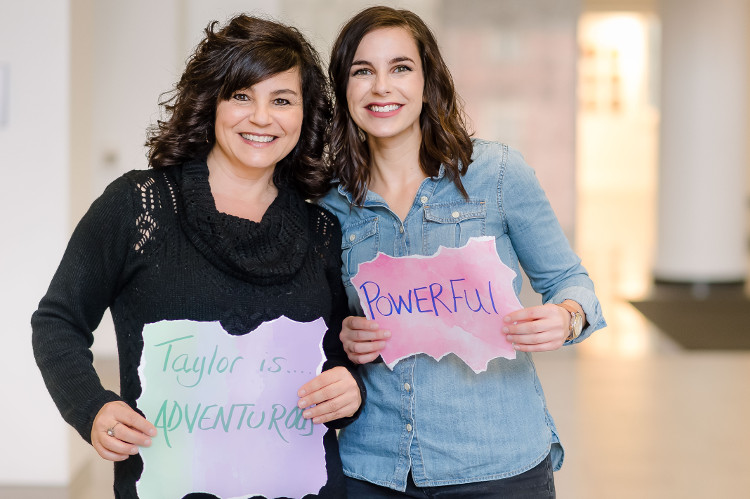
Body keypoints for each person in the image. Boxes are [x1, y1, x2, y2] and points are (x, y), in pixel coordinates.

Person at [31, 14, 363, 499]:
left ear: (304, 115)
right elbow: (57, 320)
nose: (262, 117)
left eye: (283, 100)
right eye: (242, 96)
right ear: (211, 103)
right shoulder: (138, 206)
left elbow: (337, 355)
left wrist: (350, 388)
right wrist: (92, 407)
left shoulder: (323, 230)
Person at [318, 6, 606, 498]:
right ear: (344, 89)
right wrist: (342, 336)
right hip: (376, 467)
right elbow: (321, 328)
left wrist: (567, 316)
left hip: (498, 462)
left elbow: (570, 281)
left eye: (400, 68)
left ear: (428, 81)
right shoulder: (329, 204)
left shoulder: (495, 174)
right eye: (362, 71)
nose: (381, 86)